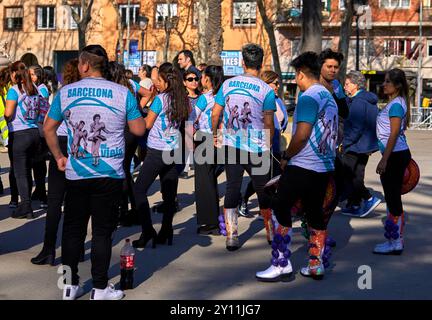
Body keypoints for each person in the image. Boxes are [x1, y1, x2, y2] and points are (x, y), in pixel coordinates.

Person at [44, 45, 146, 300]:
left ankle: (69, 286)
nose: (78, 67)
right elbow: (138, 130)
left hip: (77, 172)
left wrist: (59, 157)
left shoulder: (65, 92)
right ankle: (100, 288)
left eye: (79, 63)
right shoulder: (123, 92)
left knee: (72, 230)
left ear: (85, 65)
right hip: (108, 174)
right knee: (102, 232)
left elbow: (48, 128)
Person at [256, 51, 338, 282]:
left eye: (295, 76)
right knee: (314, 214)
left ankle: (281, 263)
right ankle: (315, 264)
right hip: (323, 167)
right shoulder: (329, 97)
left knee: (279, 208)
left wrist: (286, 156)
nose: (296, 81)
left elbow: (301, 135)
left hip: (303, 164)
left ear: (301, 74)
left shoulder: (309, 97)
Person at [211, 43, 276, 251]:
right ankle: (271, 233)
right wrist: (269, 145)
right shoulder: (266, 90)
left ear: (242, 62)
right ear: (261, 63)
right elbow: (269, 123)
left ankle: (232, 235)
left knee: (232, 187)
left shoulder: (228, 85)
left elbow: (215, 113)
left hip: (232, 144)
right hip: (257, 147)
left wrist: (215, 133)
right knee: (263, 189)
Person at [31, 59, 83, 266]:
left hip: (60, 142)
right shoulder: (84, 94)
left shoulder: (64, 94)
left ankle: (49, 248)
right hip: (78, 144)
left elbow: (48, 125)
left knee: (55, 201)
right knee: (75, 202)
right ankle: (76, 249)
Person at [132, 62, 189, 249]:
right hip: (174, 149)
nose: (156, 82)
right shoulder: (183, 100)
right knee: (169, 194)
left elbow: (147, 125)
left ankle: (147, 230)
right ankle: (166, 230)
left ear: (167, 81)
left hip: (157, 150)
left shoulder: (160, 99)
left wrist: (136, 117)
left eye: (159, 79)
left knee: (139, 190)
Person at [238, 70, 288, 219]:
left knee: (274, 179)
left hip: (276, 144)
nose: (278, 86)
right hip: (262, 145)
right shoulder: (260, 100)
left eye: (279, 83)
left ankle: (267, 208)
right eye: (275, 83)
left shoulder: (278, 100)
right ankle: (245, 200)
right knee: (261, 179)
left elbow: (282, 120)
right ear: (266, 84)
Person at [373, 68, 412, 255]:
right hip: (396, 154)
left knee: (393, 198)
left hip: (395, 155)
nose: (384, 84)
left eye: (388, 81)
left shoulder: (396, 104)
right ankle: (394, 239)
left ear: (397, 85)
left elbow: (394, 133)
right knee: (392, 198)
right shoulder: (396, 103)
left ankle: (395, 242)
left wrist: (384, 159)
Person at [341, 71, 381, 218]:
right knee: (357, 175)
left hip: (355, 146)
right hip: (365, 146)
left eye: (347, 84)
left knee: (348, 175)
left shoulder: (358, 102)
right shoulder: (369, 101)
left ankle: (368, 197)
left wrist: (345, 143)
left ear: (355, 85)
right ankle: (355, 204)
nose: (345, 87)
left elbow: (356, 127)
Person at [5, 61, 41, 219]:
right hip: (34, 132)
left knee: (20, 172)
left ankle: (25, 206)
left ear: (15, 74)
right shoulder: (34, 88)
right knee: (27, 170)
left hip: (19, 133)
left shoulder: (14, 91)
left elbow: (8, 113)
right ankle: (26, 203)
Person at [107, 61, 139, 226]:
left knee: (121, 171)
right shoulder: (130, 85)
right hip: (132, 130)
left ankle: (123, 211)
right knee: (126, 170)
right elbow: (146, 94)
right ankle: (134, 208)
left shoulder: (114, 90)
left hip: (123, 130)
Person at [195, 65, 224, 235]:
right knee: (211, 180)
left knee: (203, 183)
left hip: (205, 139)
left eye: (202, 76)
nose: (200, 79)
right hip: (220, 139)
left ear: (208, 79)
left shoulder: (204, 98)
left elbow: (192, 117)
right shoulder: (223, 97)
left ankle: (208, 223)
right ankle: (214, 219)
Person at [29, 65, 50, 208]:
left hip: (40, 129)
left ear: (38, 75)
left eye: (31, 74)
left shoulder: (41, 88)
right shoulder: (37, 87)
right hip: (36, 128)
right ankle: (38, 190)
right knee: (36, 163)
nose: (29, 77)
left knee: (39, 163)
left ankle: (42, 192)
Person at [180, 67, 201, 179]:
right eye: (190, 79)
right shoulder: (182, 98)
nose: (194, 81)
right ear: (184, 82)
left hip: (201, 128)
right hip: (186, 127)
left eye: (196, 79)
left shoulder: (202, 97)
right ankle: (185, 168)